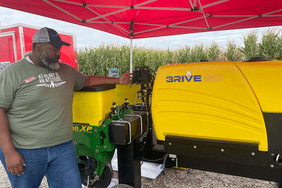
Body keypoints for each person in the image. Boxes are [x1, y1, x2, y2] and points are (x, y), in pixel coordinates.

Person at [0, 27, 131, 188]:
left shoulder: (65, 70)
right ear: (39, 47)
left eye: (59, 49)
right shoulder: (13, 72)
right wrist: (9, 152)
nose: (58, 53)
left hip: (63, 149)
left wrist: (118, 80)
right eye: (54, 49)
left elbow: (87, 80)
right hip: (26, 150)